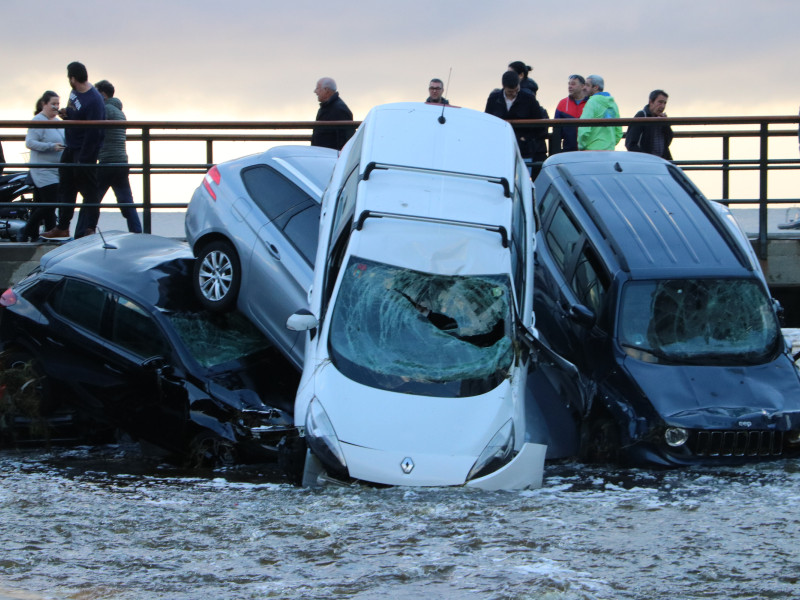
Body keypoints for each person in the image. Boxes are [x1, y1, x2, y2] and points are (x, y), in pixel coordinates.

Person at [41, 62, 105, 240]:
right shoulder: (75, 92)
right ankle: (63, 226)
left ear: (73, 78)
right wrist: (67, 114)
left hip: (84, 151)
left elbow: (95, 133)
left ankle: (89, 228)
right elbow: (75, 113)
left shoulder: (94, 100)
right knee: (66, 188)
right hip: (71, 146)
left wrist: (84, 158)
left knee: (89, 191)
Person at [76, 80, 142, 235]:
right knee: (126, 202)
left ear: (102, 94)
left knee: (90, 200)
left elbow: (88, 124)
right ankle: (138, 232)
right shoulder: (119, 111)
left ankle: (80, 233)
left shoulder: (104, 109)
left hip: (107, 162)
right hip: (121, 162)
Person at [22, 91, 65, 242]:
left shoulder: (59, 122)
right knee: (50, 203)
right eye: (53, 103)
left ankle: (42, 234)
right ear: (44, 104)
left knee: (46, 204)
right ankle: (26, 230)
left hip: (56, 169)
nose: (56, 107)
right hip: (43, 169)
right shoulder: (38, 120)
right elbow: (30, 142)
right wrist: (50, 146)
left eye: (58, 104)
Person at [485, 71, 545, 163]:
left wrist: (527, 138)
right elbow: (488, 121)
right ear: (503, 86)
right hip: (500, 148)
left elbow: (540, 125)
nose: (513, 93)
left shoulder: (529, 99)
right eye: (510, 91)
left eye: (516, 90)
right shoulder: (493, 99)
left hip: (523, 150)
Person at [578, 75, 622, 151]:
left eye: (587, 85)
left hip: (592, 150)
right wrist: (611, 143)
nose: (584, 87)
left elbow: (584, 128)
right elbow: (618, 131)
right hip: (610, 150)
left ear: (596, 87)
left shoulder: (591, 103)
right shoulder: (614, 104)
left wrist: (581, 146)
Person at [625, 90, 673, 159]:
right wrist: (645, 158)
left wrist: (666, 124)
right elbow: (630, 144)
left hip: (661, 161)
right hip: (647, 162)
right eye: (660, 102)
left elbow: (668, 141)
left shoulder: (662, 119)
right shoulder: (641, 116)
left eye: (665, 103)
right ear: (651, 102)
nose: (663, 106)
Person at [311, 77, 354, 151]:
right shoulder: (328, 107)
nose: (315, 91)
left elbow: (346, 137)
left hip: (330, 156)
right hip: (325, 153)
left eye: (318, 88)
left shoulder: (339, 109)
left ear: (326, 90)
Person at [552, 74, 588, 153]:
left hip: (589, 148)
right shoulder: (562, 103)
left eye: (573, 84)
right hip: (568, 148)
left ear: (582, 86)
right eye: (569, 84)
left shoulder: (591, 103)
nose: (570, 86)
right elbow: (556, 129)